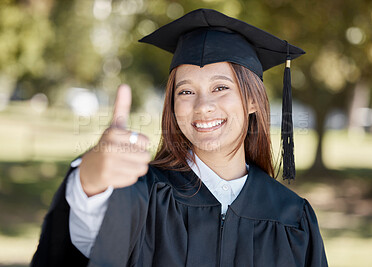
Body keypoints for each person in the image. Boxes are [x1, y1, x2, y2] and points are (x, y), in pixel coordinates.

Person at [31, 8, 328, 267]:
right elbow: (86, 234)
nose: (202, 106)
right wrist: (90, 178)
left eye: (220, 87)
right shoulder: (142, 196)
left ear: (252, 101)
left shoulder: (292, 218)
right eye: (185, 91)